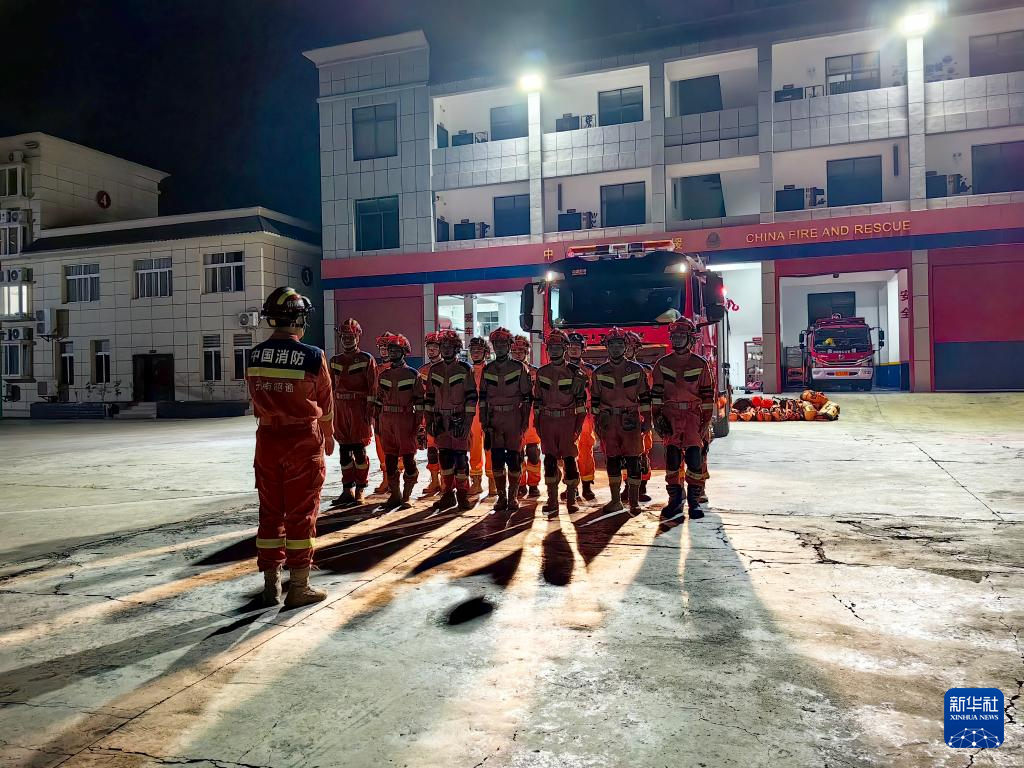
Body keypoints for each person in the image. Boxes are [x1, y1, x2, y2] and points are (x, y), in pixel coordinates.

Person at [247, 287, 334, 608]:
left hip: (267, 440)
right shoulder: (312, 355)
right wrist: (329, 435)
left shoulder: (254, 354)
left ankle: (270, 586)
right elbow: (326, 404)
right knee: (301, 514)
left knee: (270, 512)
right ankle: (299, 587)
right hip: (302, 441)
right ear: (297, 319)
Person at [651, 317, 715, 520]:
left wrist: (706, 422)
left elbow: (708, 396)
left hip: (693, 417)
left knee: (695, 458)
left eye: (681, 336)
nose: (677, 339)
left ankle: (694, 503)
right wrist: (656, 417)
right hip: (671, 416)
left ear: (691, 339)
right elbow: (656, 395)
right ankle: (675, 501)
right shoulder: (662, 364)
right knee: (672, 458)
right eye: (675, 336)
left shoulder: (700, 364)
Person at [592, 327, 652, 515]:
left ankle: (633, 502)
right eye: (612, 344)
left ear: (626, 347)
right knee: (612, 460)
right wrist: (597, 423)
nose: (616, 348)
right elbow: (595, 401)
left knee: (634, 460)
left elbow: (645, 399)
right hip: (609, 421)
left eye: (619, 344)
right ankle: (615, 501)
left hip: (630, 420)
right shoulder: (599, 372)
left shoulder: (637, 370)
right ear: (607, 347)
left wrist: (647, 421)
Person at [533, 329, 589, 516]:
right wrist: (538, 424)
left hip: (567, 420)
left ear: (565, 348)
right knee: (549, 460)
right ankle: (552, 500)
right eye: (551, 347)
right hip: (547, 421)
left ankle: (572, 498)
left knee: (569, 460)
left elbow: (581, 404)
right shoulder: (542, 372)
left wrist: (578, 426)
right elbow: (537, 401)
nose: (554, 350)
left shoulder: (575, 373)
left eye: (558, 347)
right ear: (547, 349)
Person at [478, 327, 533, 512]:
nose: (500, 347)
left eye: (503, 344)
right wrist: (484, 421)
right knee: (497, 458)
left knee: (514, 458)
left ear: (509, 346)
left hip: (513, 418)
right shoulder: (488, 369)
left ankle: (513, 497)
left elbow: (527, 398)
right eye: (496, 344)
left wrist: (524, 421)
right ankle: (501, 497)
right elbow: (483, 398)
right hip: (494, 419)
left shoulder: (519, 368)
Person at [424, 329, 478, 511]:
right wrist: (429, 421)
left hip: (458, 419)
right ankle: (448, 494)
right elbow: (429, 398)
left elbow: (471, 398)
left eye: (450, 346)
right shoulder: (434, 370)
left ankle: (463, 494)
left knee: (461, 459)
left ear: (456, 349)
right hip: (440, 420)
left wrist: (467, 423)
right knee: (445, 457)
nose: (446, 349)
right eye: (443, 346)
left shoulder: (465, 369)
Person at [371, 334, 425, 511]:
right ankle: (395, 495)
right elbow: (378, 400)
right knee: (390, 459)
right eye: (391, 349)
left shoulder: (413, 374)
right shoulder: (383, 375)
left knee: (409, 459)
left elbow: (420, 402)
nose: (392, 352)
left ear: (404, 352)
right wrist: (376, 422)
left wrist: (418, 425)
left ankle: (407, 496)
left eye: (396, 350)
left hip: (406, 420)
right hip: (386, 421)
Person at [328, 318, 376, 507]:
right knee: (344, 451)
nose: (347, 339)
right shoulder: (334, 361)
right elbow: (329, 388)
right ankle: (347, 490)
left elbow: (373, 387)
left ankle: (361, 489)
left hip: (358, 408)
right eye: (344, 337)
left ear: (358, 337)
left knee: (359, 450)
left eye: (350, 336)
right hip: (340, 408)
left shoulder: (366, 359)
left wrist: (369, 412)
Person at [565, 331, 597, 501]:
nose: (573, 349)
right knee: (568, 451)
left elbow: (596, 393)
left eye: (577, 347)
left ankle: (586, 485)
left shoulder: (590, 370)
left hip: (585, 415)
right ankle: (571, 486)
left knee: (585, 449)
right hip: (566, 415)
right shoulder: (560, 368)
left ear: (583, 349)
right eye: (570, 346)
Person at [625, 331, 654, 503]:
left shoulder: (646, 371)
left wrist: (648, 419)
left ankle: (642, 486)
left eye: (631, 347)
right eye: (625, 346)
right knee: (622, 454)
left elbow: (650, 396)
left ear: (636, 349)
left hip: (640, 416)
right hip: (621, 418)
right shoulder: (610, 370)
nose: (627, 349)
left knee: (643, 452)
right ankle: (626, 486)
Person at [511, 335, 542, 498]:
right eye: (515, 351)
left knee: (533, 452)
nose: (518, 354)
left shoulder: (536, 372)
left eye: (521, 351)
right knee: (516, 453)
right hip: (513, 417)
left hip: (531, 416)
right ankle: (520, 483)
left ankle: (534, 484)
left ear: (527, 352)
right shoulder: (506, 371)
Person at [467, 336, 496, 498]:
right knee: (474, 447)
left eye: (479, 350)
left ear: (486, 352)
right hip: (472, 415)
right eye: (473, 350)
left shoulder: (492, 370)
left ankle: (492, 480)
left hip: (489, 414)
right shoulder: (467, 371)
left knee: (490, 447)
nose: (476, 353)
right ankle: (476, 481)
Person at [417, 332, 443, 496]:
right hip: (428, 414)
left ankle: (448, 481)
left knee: (447, 450)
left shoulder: (449, 368)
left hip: (445, 413)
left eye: (435, 347)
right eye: (429, 347)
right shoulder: (422, 371)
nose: (431, 350)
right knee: (432, 449)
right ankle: (434, 480)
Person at [371, 330, 395, 494]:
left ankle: (396, 481)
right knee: (381, 447)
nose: (384, 351)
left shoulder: (401, 369)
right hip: (379, 414)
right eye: (381, 348)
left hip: (397, 414)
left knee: (398, 448)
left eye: (387, 348)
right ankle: (386, 478)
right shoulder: (375, 369)